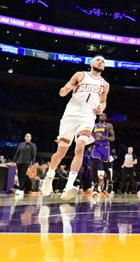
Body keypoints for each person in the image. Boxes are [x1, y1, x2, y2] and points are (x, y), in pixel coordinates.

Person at [40, 56, 110, 201]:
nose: (100, 62)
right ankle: (49, 176)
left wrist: (100, 109)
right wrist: (65, 89)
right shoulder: (80, 75)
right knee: (60, 152)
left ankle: (69, 186)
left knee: (80, 147)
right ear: (91, 63)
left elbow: (103, 102)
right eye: (98, 60)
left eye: (103, 61)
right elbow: (62, 92)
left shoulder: (105, 84)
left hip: (88, 117)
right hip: (70, 115)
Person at [91, 113, 115, 196]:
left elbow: (112, 138)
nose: (103, 116)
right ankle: (95, 186)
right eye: (101, 115)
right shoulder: (94, 126)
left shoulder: (108, 125)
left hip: (105, 148)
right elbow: (90, 136)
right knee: (94, 165)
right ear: (98, 117)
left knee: (105, 167)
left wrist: (103, 137)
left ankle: (110, 181)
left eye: (104, 116)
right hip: (96, 147)